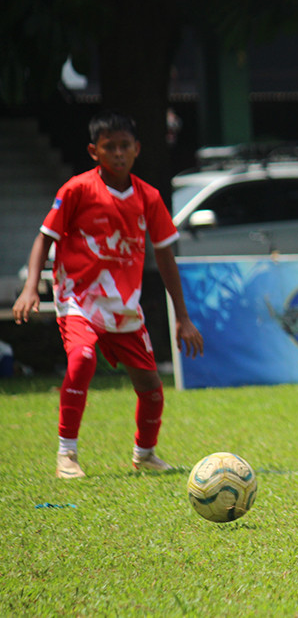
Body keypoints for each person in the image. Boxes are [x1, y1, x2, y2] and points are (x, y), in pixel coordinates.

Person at [12, 110, 204, 479]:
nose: (118, 153)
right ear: (93, 151)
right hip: (78, 299)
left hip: (123, 307)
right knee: (82, 359)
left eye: (124, 146)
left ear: (137, 149)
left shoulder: (148, 197)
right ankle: (67, 454)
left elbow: (165, 256)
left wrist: (182, 317)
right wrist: (31, 286)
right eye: (109, 146)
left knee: (151, 387)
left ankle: (145, 454)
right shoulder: (76, 190)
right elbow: (44, 238)